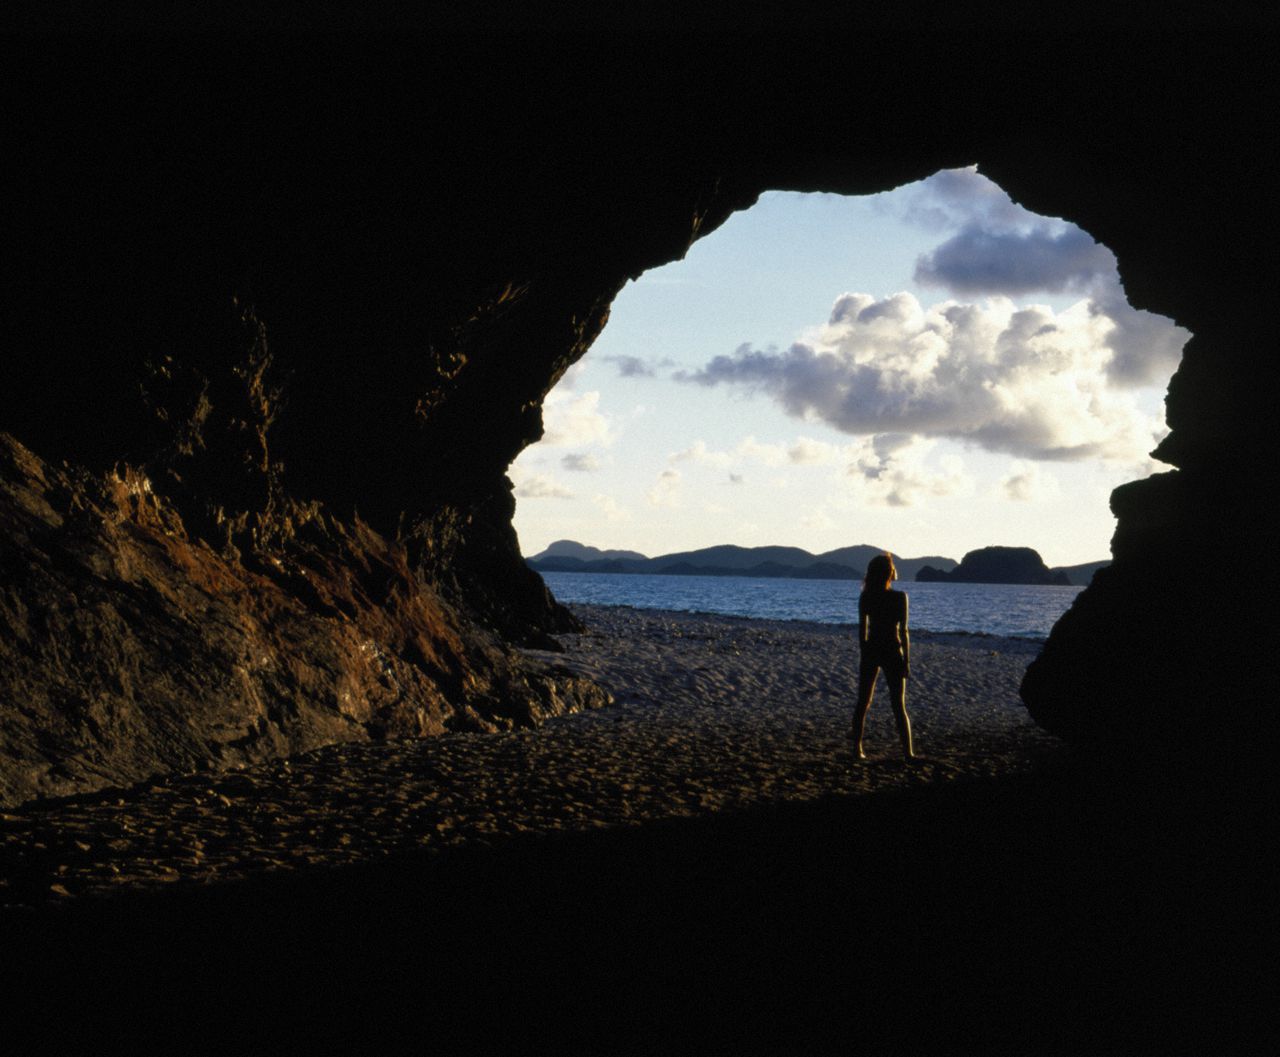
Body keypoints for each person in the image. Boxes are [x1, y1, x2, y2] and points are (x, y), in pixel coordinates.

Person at [851, 552, 918, 763]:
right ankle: (908, 752)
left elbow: (862, 631)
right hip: (892, 649)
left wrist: (865, 653)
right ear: (890, 573)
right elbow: (904, 631)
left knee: (863, 702)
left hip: (872, 649)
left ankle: (857, 749)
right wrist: (906, 661)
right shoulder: (899, 597)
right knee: (898, 705)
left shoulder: (866, 597)